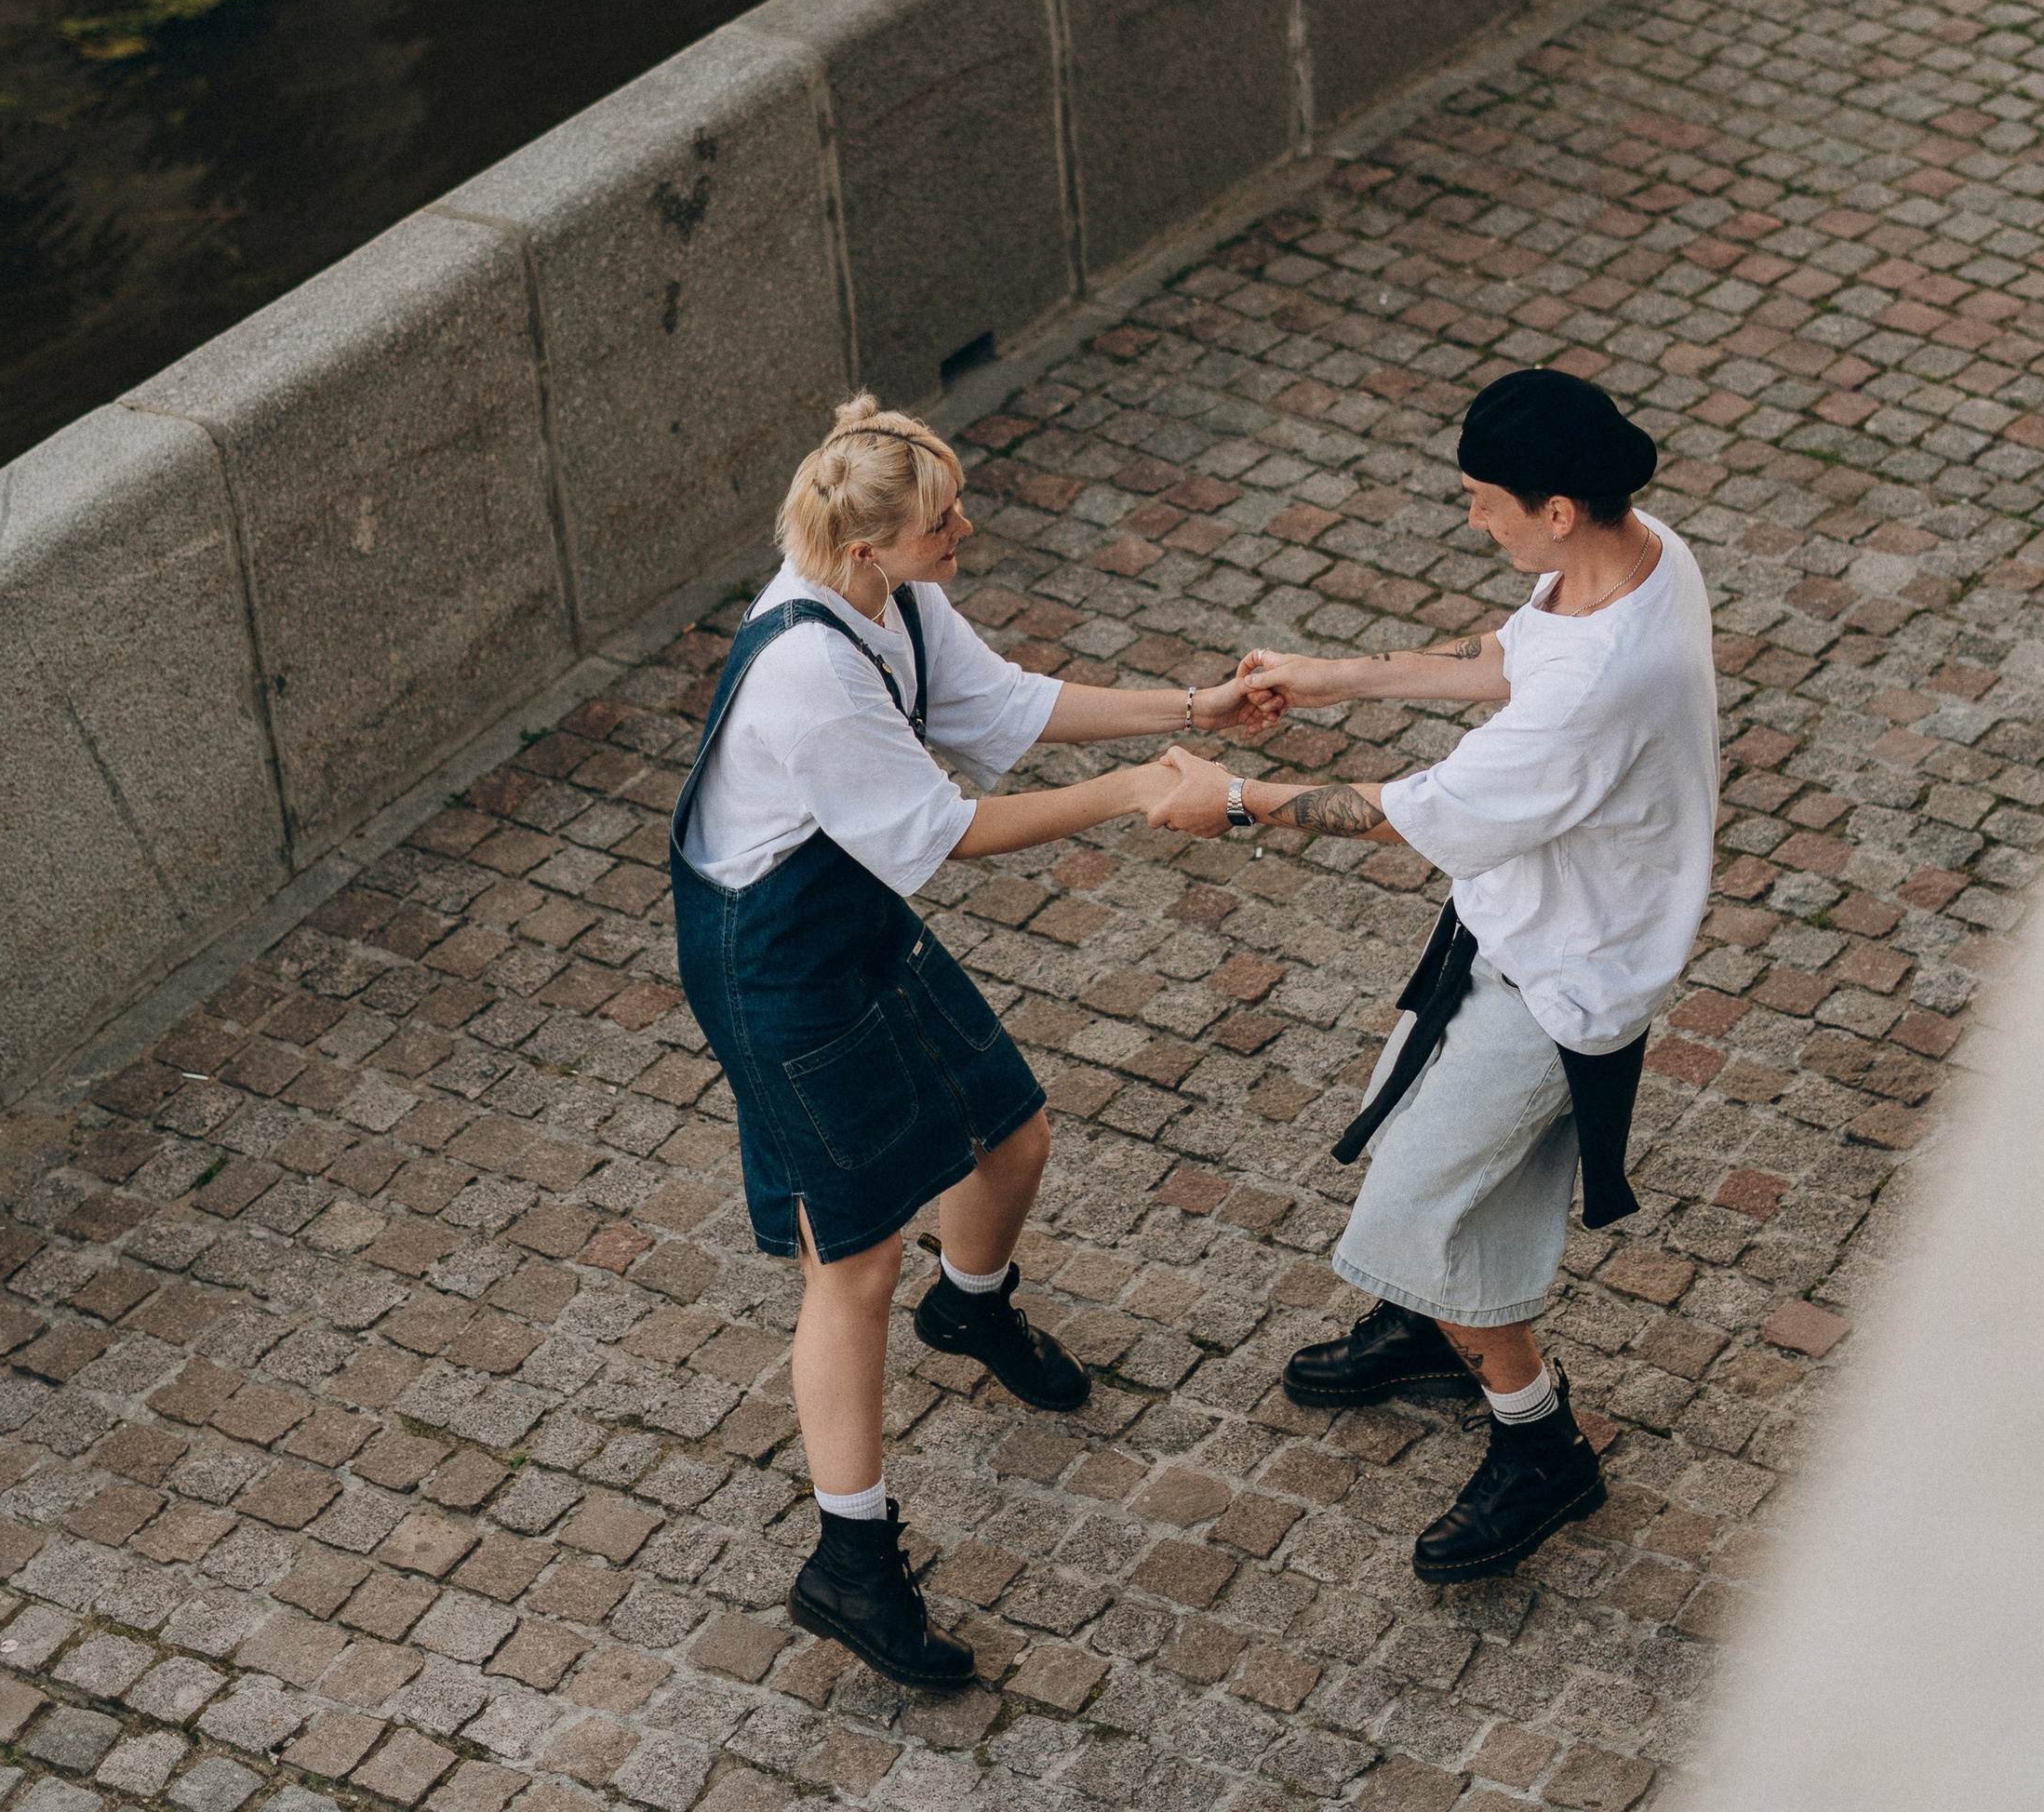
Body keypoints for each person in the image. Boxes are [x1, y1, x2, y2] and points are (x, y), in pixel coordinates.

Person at [672, 395, 1268, 1689]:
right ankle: (851, 1562)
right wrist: (1130, 795)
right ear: (871, 545)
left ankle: (976, 1308)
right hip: (779, 967)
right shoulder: (812, 670)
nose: (969, 531)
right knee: (855, 1265)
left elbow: (1002, 706)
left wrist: (1192, 709)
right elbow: (944, 840)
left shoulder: (893, 600)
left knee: (1013, 1137)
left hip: (842, 917)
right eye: (946, 521)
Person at [1151, 366, 1718, 1582]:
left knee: (1417, 1208)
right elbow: (1513, 653)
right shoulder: (1640, 547)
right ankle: (1428, 1328)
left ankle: (1539, 1438)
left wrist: (1234, 801)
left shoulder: (1601, 695)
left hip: (1558, 982)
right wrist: (1335, 674)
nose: (1473, 522)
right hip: (1515, 938)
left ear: (1556, 507)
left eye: (1482, 503)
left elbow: (1413, 811)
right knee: (1429, 1137)